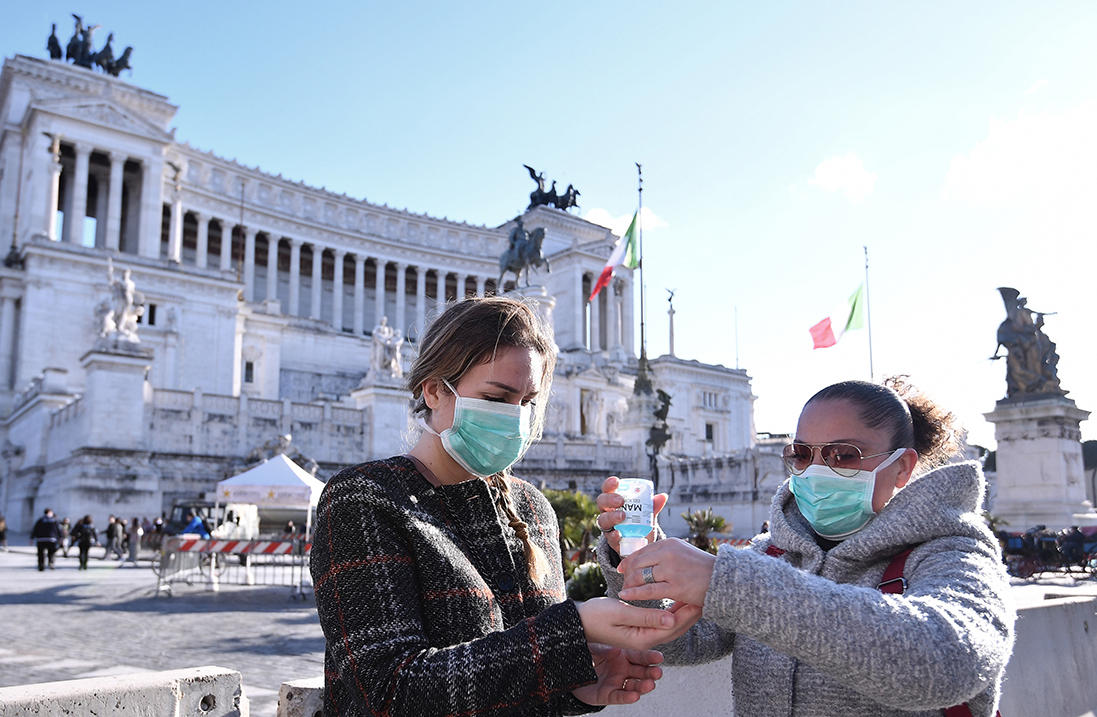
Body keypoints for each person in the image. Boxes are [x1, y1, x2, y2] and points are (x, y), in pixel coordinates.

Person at [311, 297, 696, 717]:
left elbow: (513, 678)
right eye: (497, 398)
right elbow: (389, 693)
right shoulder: (365, 499)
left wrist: (575, 688)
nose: (515, 419)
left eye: (527, 402)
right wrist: (573, 628)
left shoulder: (533, 509)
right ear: (435, 389)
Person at [596, 378, 1015, 717]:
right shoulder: (771, 553)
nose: (817, 470)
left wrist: (726, 581)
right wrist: (635, 560)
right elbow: (678, 642)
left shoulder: (953, 551)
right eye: (802, 454)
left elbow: (946, 661)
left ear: (901, 466)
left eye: (843, 455)